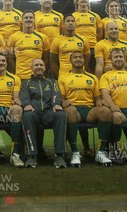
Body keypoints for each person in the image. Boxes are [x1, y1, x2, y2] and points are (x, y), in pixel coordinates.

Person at [58, 51, 113, 167]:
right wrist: (63, 102)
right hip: (73, 109)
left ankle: (101, 153)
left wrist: (100, 102)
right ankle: (75, 152)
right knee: (70, 111)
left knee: (106, 111)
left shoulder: (92, 77)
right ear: (70, 61)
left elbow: (97, 98)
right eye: (75, 57)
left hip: (89, 110)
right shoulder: (63, 77)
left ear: (84, 60)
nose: (78, 59)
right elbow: (61, 98)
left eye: (80, 57)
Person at [49, 14, 93, 158]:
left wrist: (80, 72)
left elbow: (86, 59)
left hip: (80, 79)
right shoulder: (57, 41)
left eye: (72, 21)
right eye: (67, 21)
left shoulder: (83, 40)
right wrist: (60, 77)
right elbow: (53, 62)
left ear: (76, 24)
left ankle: (86, 147)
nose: (70, 23)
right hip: (64, 81)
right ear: (62, 25)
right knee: (68, 113)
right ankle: (71, 148)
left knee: (81, 111)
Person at [21, 58, 67, 169]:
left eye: (41, 65)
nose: (39, 67)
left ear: (45, 67)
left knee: (60, 115)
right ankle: (32, 156)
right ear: (31, 68)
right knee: (27, 115)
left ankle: (59, 155)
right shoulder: (26, 83)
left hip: (48, 112)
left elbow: (55, 94)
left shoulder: (52, 82)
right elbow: (24, 96)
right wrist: (27, 104)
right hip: (34, 112)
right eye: (36, 65)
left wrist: (56, 103)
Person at [7, 10, 50, 79]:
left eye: (31, 18)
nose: (28, 19)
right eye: (26, 18)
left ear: (34, 20)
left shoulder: (43, 37)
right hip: (20, 77)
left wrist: (42, 73)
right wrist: (17, 71)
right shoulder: (13, 37)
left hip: (37, 76)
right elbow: (9, 59)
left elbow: (46, 59)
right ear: (22, 21)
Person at [72, 0, 103, 73]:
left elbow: (100, 34)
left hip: (92, 47)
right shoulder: (73, 16)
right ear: (77, 1)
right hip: (78, 47)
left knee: (91, 70)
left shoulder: (95, 16)